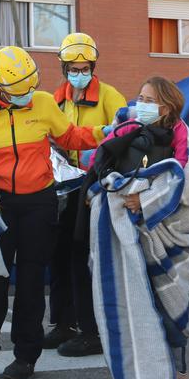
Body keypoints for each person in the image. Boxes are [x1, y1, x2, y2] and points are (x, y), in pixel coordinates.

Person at [0, 46, 107, 379]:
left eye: (31, 87)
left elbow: (70, 136)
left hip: (40, 204)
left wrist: (108, 131)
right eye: (19, 91)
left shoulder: (43, 103)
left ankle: (25, 358)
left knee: (30, 283)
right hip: (0, 206)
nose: (27, 95)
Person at [87, 76, 189, 379]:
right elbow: (100, 166)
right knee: (129, 303)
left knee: (169, 305)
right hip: (126, 232)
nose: (140, 104)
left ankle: (179, 372)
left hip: (167, 237)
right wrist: (117, 191)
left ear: (167, 106)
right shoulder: (125, 129)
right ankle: (138, 372)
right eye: (140, 97)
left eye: (148, 100)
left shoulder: (182, 135)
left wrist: (145, 199)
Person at [45, 32, 126, 357]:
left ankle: (91, 331)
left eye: (84, 66)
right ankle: (63, 323)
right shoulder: (56, 100)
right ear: (64, 68)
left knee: (83, 259)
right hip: (63, 188)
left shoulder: (109, 96)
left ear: (92, 65)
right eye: (73, 67)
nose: (79, 72)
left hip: (94, 189)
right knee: (59, 256)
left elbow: (126, 135)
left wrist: (101, 160)